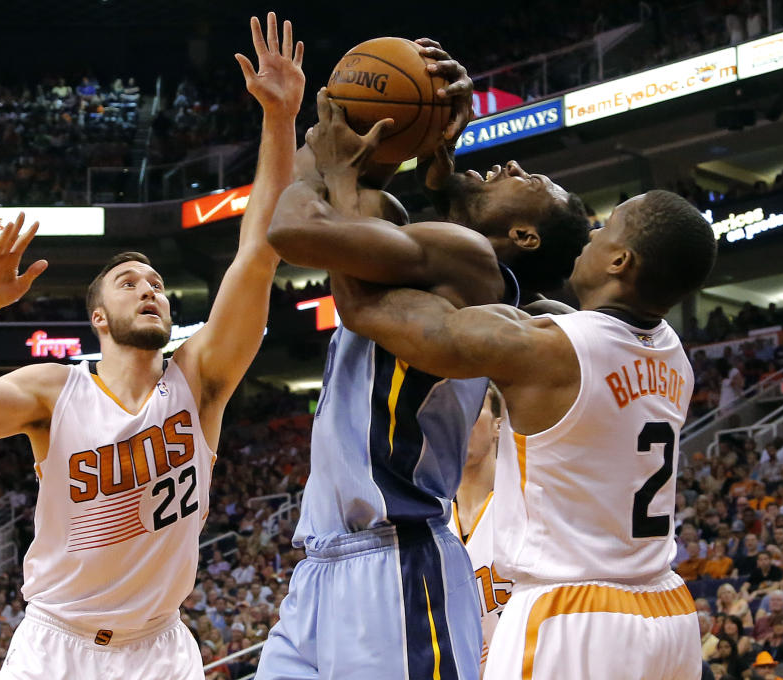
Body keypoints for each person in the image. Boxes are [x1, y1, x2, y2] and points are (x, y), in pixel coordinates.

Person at [0, 13, 304, 680]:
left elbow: (259, 253)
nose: (149, 289)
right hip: (57, 645)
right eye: (128, 282)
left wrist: (281, 119)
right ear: (99, 318)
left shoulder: (199, 380)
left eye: (158, 283)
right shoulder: (53, 392)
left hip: (161, 650)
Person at [258, 38, 588, 680]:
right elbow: (363, 216)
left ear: (524, 236)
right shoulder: (437, 257)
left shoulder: (472, 261)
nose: (514, 163)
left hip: (398, 565)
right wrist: (411, 140)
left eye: (533, 181)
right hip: (322, 567)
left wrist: (333, 148)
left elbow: (295, 229)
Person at [331, 189, 718, 678]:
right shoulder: (671, 353)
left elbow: (364, 310)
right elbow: (555, 317)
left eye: (608, 227)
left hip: (572, 614)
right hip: (668, 610)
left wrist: (345, 191)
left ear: (620, 260)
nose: (593, 233)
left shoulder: (547, 350)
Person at [447, 383, 512, 677]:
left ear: (499, 425)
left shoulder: (530, 504)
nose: (457, 419)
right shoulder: (429, 519)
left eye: (471, 407)